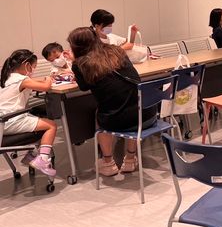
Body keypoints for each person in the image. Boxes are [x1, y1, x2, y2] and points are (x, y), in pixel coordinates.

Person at [68, 27, 156, 176]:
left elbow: (83, 87)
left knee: (101, 111)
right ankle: (130, 159)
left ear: (76, 46)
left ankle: (108, 163)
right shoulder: (117, 51)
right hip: (147, 114)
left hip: (118, 121)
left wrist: (74, 61)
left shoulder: (80, 63)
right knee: (132, 103)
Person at [0, 49, 57, 177]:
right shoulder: (22, 80)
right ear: (27, 65)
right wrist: (49, 78)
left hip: (3, 122)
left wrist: (44, 80)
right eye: (33, 66)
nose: (33, 70)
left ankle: (31, 156)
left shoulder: (7, 78)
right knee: (51, 125)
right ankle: (42, 160)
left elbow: (33, 82)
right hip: (10, 121)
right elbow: (46, 87)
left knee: (38, 120)